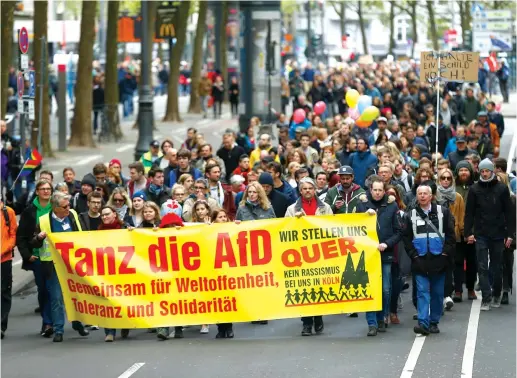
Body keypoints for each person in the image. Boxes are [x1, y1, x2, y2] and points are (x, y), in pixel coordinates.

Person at [32, 191, 90, 342]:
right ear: (56, 208)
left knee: (75, 297)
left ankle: (78, 324)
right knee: (57, 298)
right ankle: (59, 330)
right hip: (53, 266)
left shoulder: (72, 215)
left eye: (69, 205)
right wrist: (39, 238)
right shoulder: (44, 221)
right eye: (65, 206)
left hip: (72, 265)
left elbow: (82, 235)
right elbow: (34, 242)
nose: (68, 208)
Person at [403, 184, 456, 335]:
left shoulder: (443, 212)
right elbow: (406, 237)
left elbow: (451, 236)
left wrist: (445, 254)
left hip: (439, 259)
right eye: (420, 193)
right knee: (422, 292)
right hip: (419, 259)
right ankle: (423, 323)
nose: (422, 196)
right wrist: (413, 255)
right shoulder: (410, 215)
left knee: (438, 293)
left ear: (431, 196)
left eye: (425, 193)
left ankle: (434, 321)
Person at [464, 159, 514, 311]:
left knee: (497, 267)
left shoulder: (501, 189)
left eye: (487, 171)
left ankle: (496, 294)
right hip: (481, 233)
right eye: (482, 171)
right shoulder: (474, 189)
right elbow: (469, 213)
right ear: (479, 171)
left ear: (492, 171)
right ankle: (486, 297)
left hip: (498, 233)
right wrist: (468, 233)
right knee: (482, 266)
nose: (485, 174)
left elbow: (509, 213)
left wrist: (510, 234)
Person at [285, 177, 333, 336]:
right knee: (303, 289)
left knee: (318, 288)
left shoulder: (325, 208)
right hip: (301, 255)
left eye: (310, 188)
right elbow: (285, 230)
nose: (307, 191)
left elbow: (332, 227)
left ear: (315, 190)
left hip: (320, 253)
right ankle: (306, 323)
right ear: (300, 191)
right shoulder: (292, 209)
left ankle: (318, 318)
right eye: (304, 189)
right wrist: (295, 221)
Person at [357, 177, 402, 336]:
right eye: (374, 190)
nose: (377, 193)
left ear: (384, 191)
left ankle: (382, 316)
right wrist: (363, 215)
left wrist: (387, 244)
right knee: (370, 288)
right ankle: (372, 323)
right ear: (370, 190)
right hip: (367, 254)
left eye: (380, 190)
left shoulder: (392, 205)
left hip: (385, 253)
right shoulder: (362, 204)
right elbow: (354, 228)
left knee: (385, 288)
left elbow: (398, 231)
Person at [16, 179, 54, 337]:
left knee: (55, 291)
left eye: (48, 189)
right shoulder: (30, 211)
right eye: (42, 189)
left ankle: (53, 322)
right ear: (37, 192)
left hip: (56, 258)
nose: (46, 191)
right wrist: (27, 255)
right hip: (38, 258)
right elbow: (22, 236)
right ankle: (47, 322)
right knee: (43, 290)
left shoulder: (58, 208)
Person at [97, 205, 129, 342]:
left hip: (123, 270)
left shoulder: (124, 228)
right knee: (108, 300)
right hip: (106, 271)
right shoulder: (97, 232)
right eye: (102, 215)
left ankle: (125, 324)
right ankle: (110, 331)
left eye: (107, 214)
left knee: (123, 299)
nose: (104, 217)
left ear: (114, 214)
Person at [436, 169, 465, 307]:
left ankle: (448, 294)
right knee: (439, 266)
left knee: (451, 265)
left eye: (448, 178)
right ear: (439, 179)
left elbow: (461, 216)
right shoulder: (434, 195)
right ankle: (441, 294)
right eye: (443, 178)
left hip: (453, 236)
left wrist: (461, 232)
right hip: (437, 236)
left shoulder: (458, 197)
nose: (446, 180)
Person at [1, 195, 17, 339]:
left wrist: (6, 248)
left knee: (4, 292)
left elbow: (13, 233)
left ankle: (1, 325)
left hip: (4, 259)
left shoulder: (8, 212)